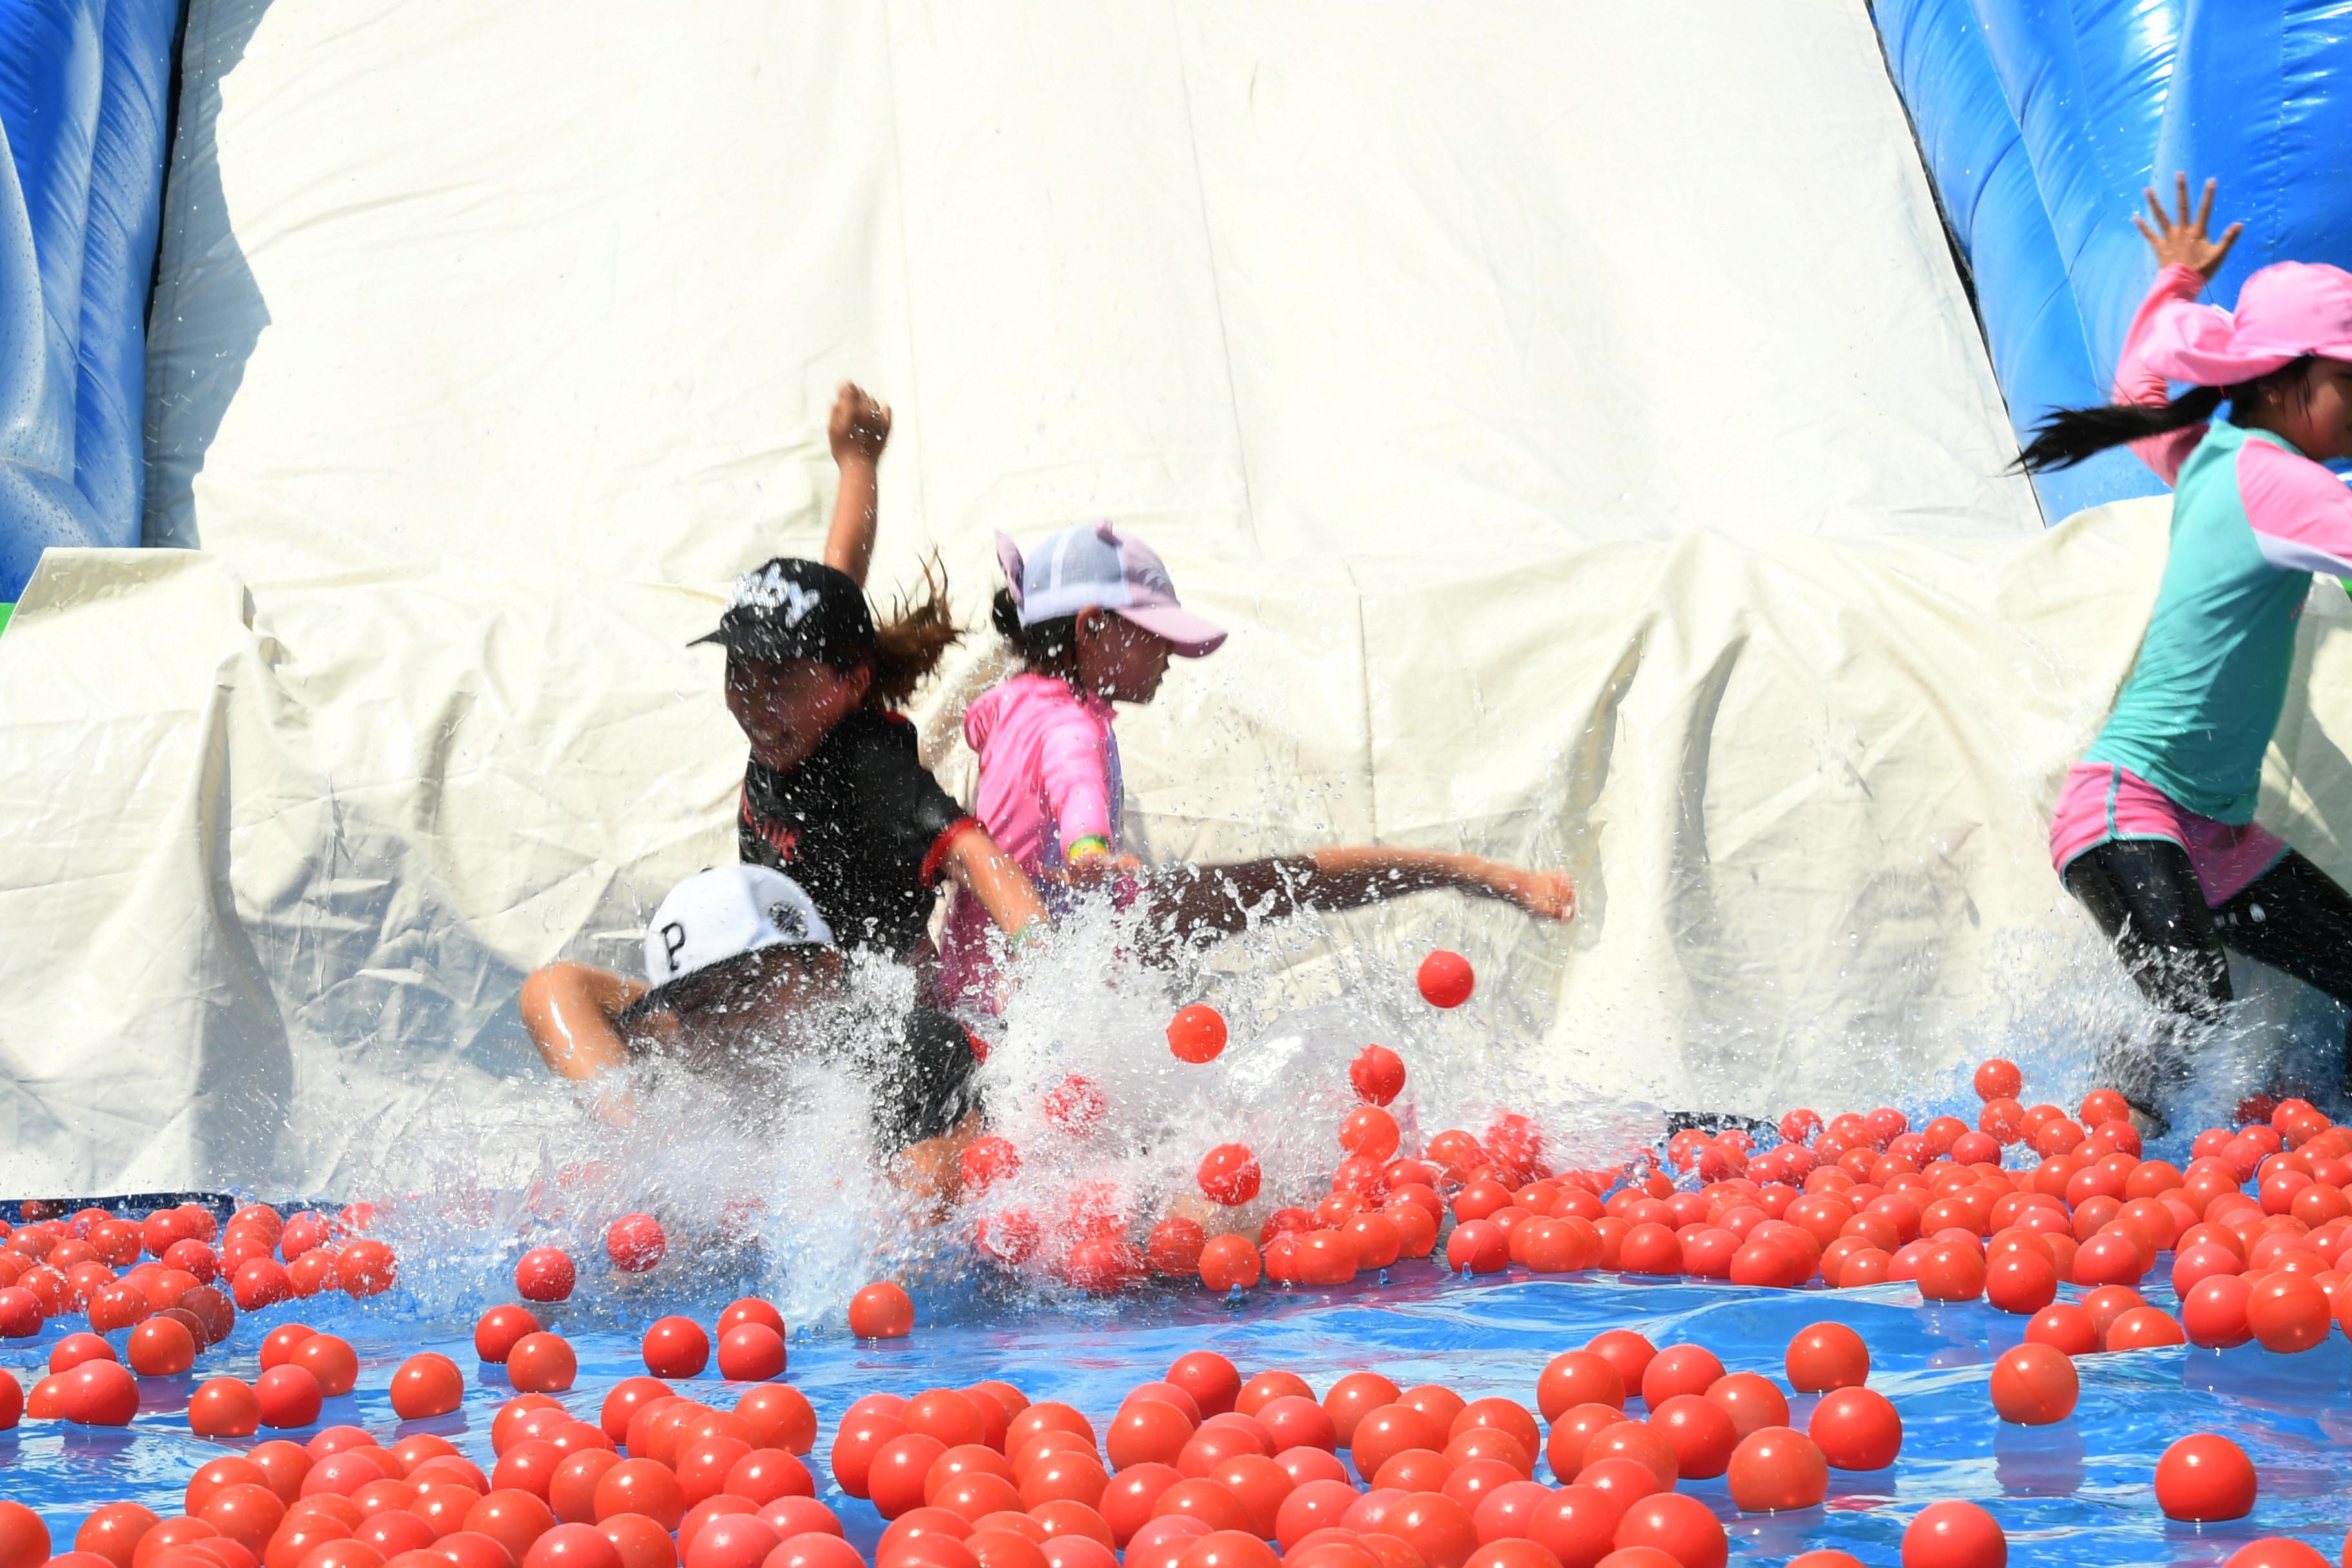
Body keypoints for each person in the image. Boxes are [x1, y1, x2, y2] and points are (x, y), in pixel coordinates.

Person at [2019, 174, 2352, 1120]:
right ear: (2282, 382)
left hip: (2210, 832)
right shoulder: (2283, 483)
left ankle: (2314, 1143)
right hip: (2130, 809)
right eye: (2349, 383)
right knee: (2196, 1011)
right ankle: (2101, 1148)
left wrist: (2173, 284)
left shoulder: (2207, 452)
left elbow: (2138, 388)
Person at [939, 520, 1575, 997]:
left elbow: (1000, 756)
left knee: (1280, 883)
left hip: (982, 962)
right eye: (1155, 634)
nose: (1169, 654)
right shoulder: (1070, 725)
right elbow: (1072, 781)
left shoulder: (1010, 701)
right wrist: (1088, 851)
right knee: (1292, 879)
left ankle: (1467, 872)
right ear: (1092, 627)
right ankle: (1468, 871)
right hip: (1068, 941)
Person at [520, 864, 984, 1197]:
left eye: (748, 984)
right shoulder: (697, 1058)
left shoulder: (904, 1046)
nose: (730, 1019)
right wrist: (647, 1155)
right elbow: (552, 987)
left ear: (824, 971)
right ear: (677, 1024)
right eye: (701, 1002)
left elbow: (934, 1184)